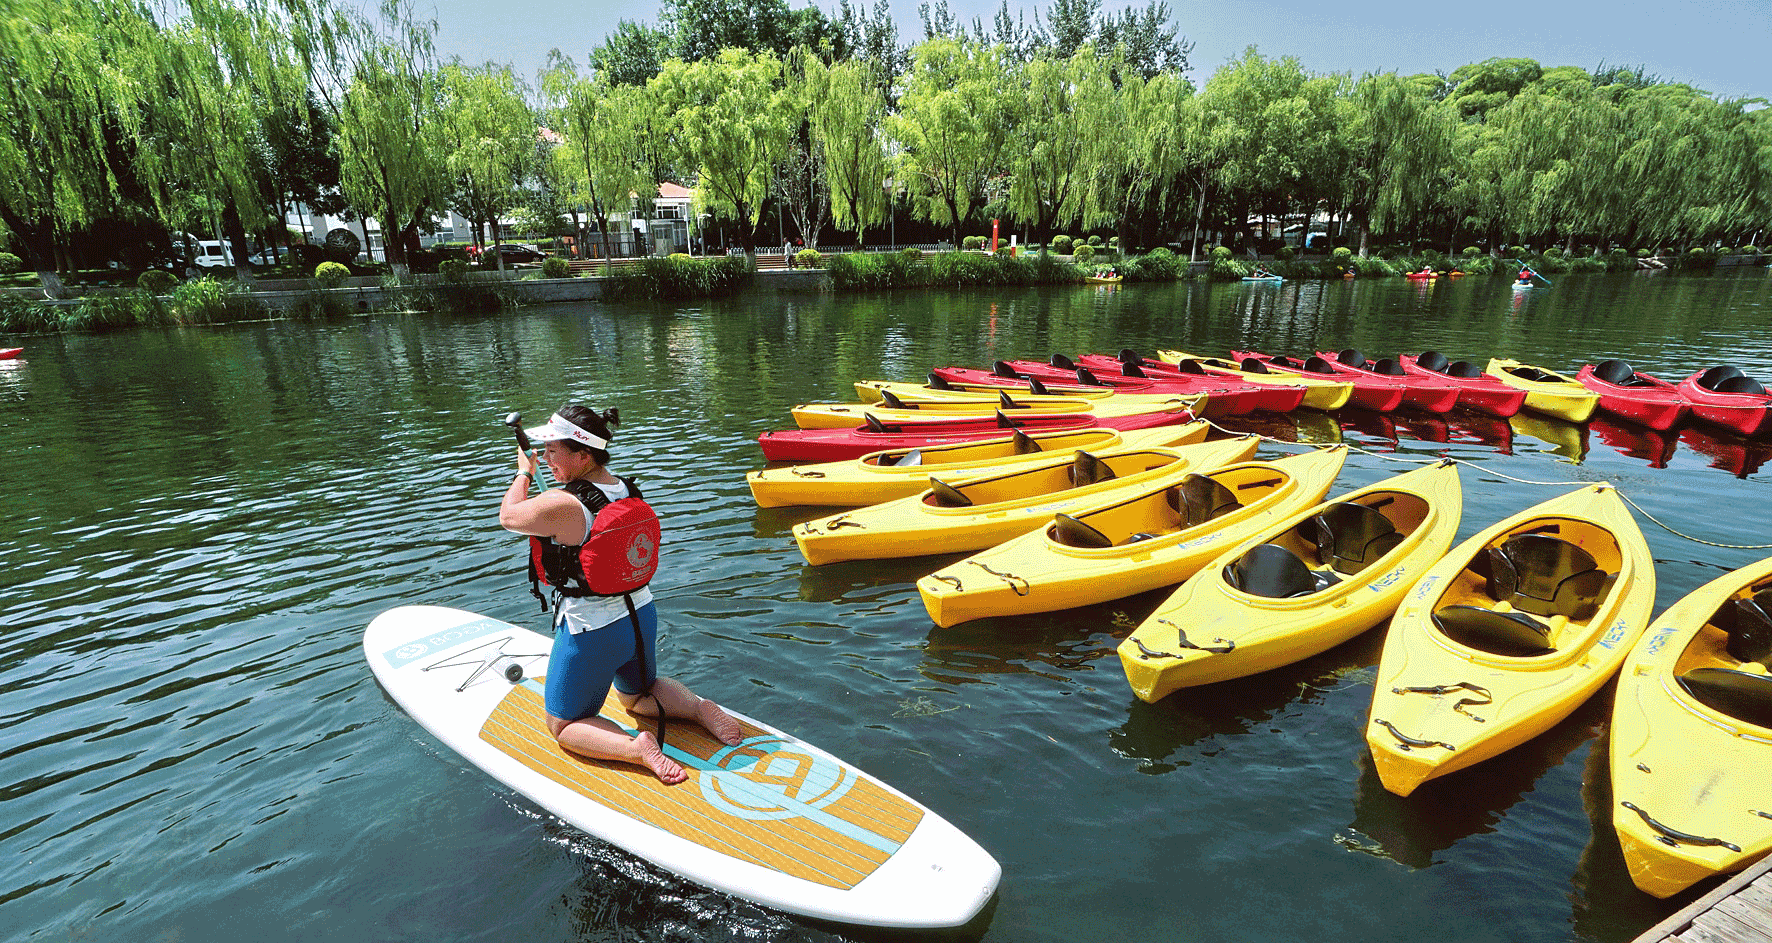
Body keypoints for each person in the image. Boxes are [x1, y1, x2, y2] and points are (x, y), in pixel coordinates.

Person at [499, 405, 743, 783]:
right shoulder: (627, 489)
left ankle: (637, 748)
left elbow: (509, 516)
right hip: (641, 614)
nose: (545, 459)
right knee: (638, 695)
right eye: (541, 452)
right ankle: (698, 709)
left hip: (593, 630)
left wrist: (523, 472)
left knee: (563, 723)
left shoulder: (564, 504)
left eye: (552, 451)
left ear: (583, 454)